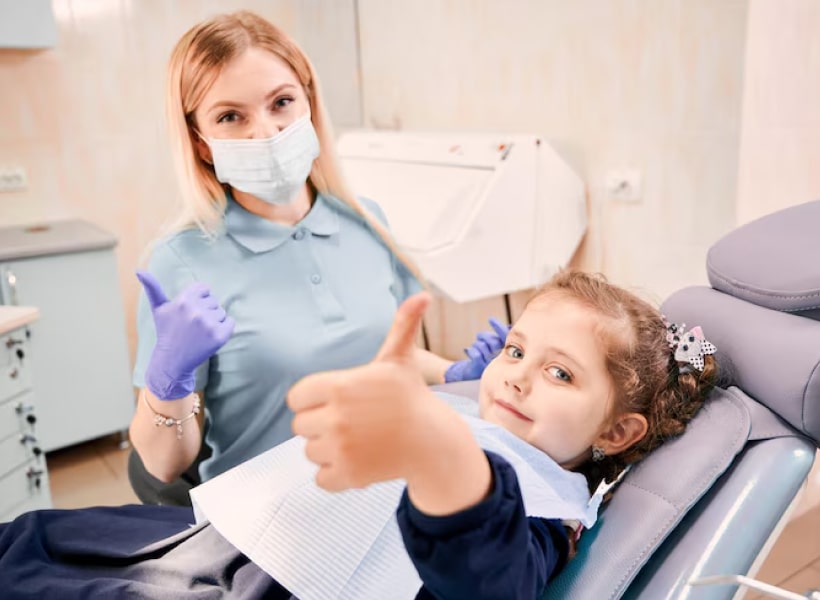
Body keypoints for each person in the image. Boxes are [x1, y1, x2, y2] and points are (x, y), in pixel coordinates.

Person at [0, 270, 718, 599]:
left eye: (560, 373)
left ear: (617, 431)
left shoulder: (550, 506)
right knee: (31, 535)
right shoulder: (480, 411)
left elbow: (488, 579)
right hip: (226, 541)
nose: (518, 377)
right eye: (515, 349)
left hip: (264, 584)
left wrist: (438, 451)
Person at [128, 9, 508, 499]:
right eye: (230, 117)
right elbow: (163, 466)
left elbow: (386, 358)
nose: (266, 132)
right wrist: (169, 382)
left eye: (281, 102)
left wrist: (452, 374)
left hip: (381, 485)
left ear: (308, 103)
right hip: (269, 510)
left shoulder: (367, 221)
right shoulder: (180, 261)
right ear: (201, 143)